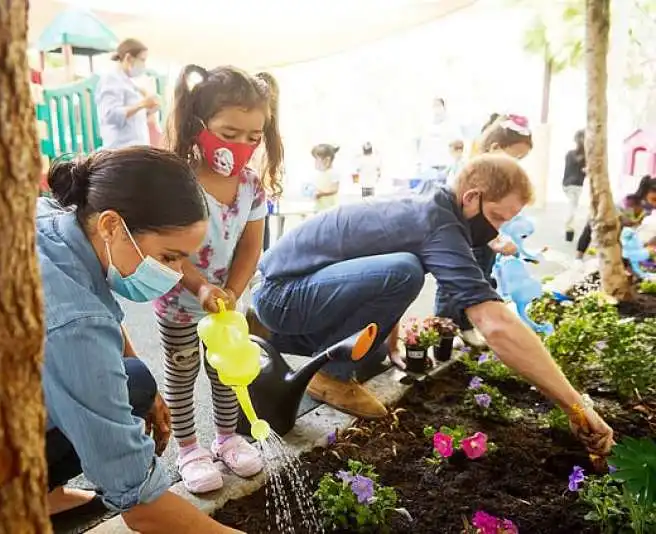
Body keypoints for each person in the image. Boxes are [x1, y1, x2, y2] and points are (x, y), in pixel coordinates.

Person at [250, 154, 614, 457]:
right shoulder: (439, 225)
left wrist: (388, 343)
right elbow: (496, 323)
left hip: (291, 283)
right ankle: (331, 376)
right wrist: (575, 405)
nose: (499, 231)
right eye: (499, 218)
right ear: (471, 197)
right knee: (405, 271)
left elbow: (369, 262)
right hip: (283, 293)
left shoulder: (429, 203)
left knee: (402, 273)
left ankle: (276, 332)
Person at [37, 147, 242, 534]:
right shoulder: (74, 322)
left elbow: (99, 320)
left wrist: (145, 388)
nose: (177, 273)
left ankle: (43, 492)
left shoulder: (57, 220)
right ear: (112, 225)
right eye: (169, 257)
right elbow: (142, 507)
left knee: (135, 381)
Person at [154, 65, 283, 494]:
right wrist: (200, 286)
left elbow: (250, 246)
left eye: (253, 136)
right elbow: (168, 250)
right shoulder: (177, 182)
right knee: (182, 373)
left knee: (229, 373)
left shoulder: (251, 187)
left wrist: (231, 290)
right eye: (229, 133)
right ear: (198, 125)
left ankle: (228, 438)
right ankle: (190, 449)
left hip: (226, 308)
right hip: (178, 304)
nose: (241, 146)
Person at [437, 113, 533, 348]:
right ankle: (445, 327)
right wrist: (494, 238)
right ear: (496, 148)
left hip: (485, 240)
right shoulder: (473, 174)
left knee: (480, 276)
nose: (517, 163)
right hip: (470, 240)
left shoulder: (499, 177)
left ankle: (463, 324)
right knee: (458, 282)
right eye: (516, 155)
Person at [96, 39, 160, 149]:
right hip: (121, 148)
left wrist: (150, 108)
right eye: (142, 60)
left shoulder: (131, 82)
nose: (144, 65)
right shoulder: (110, 80)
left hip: (137, 147)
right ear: (128, 58)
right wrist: (142, 104)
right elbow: (110, 115)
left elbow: (135, 116)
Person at [576, 175, 656, 259]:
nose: (655, 204)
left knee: (618, 242)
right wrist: (632, 222)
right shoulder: (631, 201)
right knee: (589, 228)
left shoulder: (648, 208)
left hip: (618, 224)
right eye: (654, 199)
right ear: (644, 192)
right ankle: (578, 258)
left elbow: (634, 224)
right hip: (603, 211)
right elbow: (625, 220)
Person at [416, 97, 463, 179]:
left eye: (439, 105)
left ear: (444, 107)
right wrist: (420, 164)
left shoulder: (452, 126)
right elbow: (423, 149)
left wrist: (455, 163)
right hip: (431, 167)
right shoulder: (428, 127)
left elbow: (459, 146)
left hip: (447, 166)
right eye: (434, 106)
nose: (436, 109)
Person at [563, 129, 587, 242]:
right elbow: (577, 166)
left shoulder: (583, 155)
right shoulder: (573, 154)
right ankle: (569, 230)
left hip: (575, 185)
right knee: (572, 208)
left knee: (573, 207)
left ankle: (569, 230)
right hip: (571, 184)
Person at [311, 143, 341, 212]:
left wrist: (321, 194)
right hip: (320, 207)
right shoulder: (320, 174)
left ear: (327, 160)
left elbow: (334, 189)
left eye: (317, 159)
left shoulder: (333, 173)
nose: (315, 162)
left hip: (330, 208)